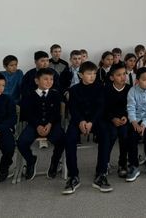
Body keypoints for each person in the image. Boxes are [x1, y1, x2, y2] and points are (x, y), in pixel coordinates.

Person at [62, 61, 106, 195]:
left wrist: (91, 122)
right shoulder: (74, 89)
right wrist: (81, 121)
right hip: (78, 121)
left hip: (95, 120)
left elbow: (100, 108)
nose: (92, 76)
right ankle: (73, 175)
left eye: (94, 73)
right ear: (81, 75)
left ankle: (101, 174)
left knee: (106, 136)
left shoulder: (100, 88)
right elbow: (73, 108)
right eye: (89, 74)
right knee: (69, 139)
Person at [17, 67, 65, 181]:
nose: (49, 82)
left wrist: (49, 124)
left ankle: (55, 162)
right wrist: (37, 125)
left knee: (62, 139)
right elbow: (27, 114)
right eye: (45, 79)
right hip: (34, 125)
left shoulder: (56, 95)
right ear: (37, 81)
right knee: (21, 142)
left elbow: (56, 113)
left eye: (51, 79)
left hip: (52, 125)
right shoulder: (29, 96)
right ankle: (31, 160)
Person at [125, 68, 146, 182]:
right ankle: (133, 165)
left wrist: (144, 124)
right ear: (137, 80)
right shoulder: (132, 91)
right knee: (131, 136)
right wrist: (134, 122)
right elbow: (130, 108)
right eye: (144, 80)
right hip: (135, 119)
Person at [97, 65, 130, 180]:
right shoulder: (106, 89)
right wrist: (112, 118)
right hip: (109, 119)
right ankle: (105, 162)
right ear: (112, 78)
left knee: (124, 135)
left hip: (124, 119)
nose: (123, 77)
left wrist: (126, 117)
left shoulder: (129, 89)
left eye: (124, 74)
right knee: (111, 134)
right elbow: (103, 108)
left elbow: (131, 106)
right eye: (119, 75)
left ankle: (122, 163)